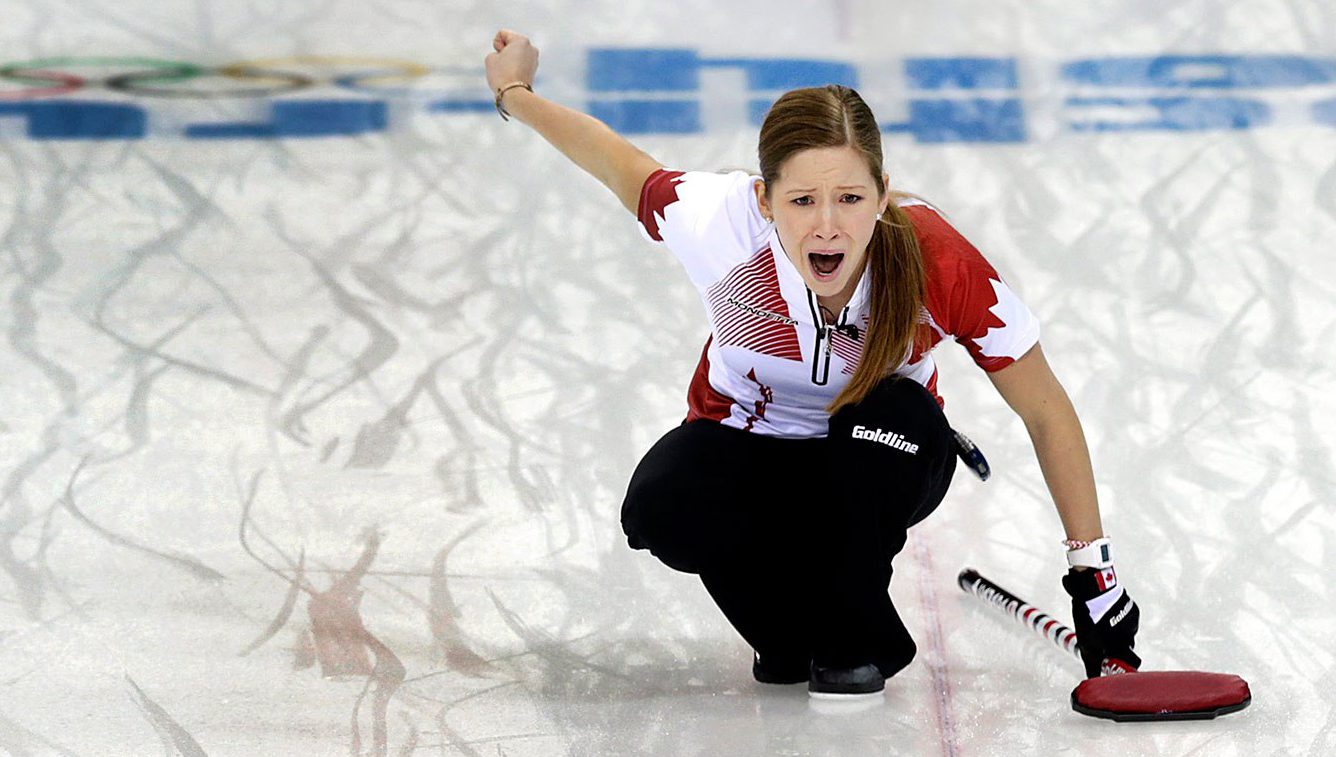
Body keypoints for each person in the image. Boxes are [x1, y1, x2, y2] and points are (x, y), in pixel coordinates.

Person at [484, 29, 1140, 697]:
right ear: (765, 201)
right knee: (660, 509)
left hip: (884, 455)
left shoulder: (937, 262)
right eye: (802, 201)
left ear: (883, 193)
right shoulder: (717, 224)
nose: (827, 225)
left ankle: (860, 639)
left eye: (850, 199)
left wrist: (1096, 582)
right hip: (751, 450)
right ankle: (794, 633)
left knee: (883, 419)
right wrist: (514, 91)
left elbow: (1045, 407)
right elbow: (614, 159)